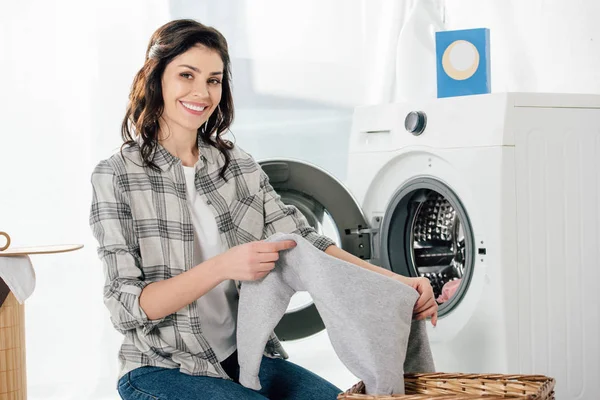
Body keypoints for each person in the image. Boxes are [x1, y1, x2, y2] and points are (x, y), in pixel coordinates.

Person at [89, 19, 438, 400]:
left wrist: (400, 283)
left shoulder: (235, 165)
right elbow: (128, 307)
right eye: (186, 75)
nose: (201, 92)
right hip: (160, 367)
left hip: (245, 359)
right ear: (156, 79)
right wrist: (223, 266)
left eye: (214, 80)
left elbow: (304, 241)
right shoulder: (116, 175)